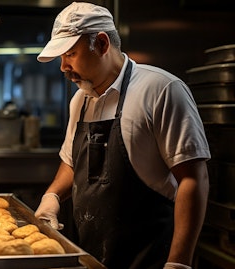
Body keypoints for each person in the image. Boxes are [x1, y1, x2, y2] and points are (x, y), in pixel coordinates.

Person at [34, 2, 210, 269]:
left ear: (102, 44)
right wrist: (53, 197)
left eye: (70, 54)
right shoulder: (80, 100)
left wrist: (179, 263)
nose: (63, 67)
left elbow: (193, 179)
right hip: (92, 254)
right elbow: (73, 161)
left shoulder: (161, 90)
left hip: (149, 257)